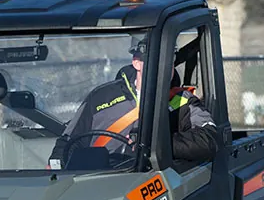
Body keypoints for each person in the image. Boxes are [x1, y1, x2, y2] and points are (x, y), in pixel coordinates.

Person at [50, 36, 218, 167]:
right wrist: (57, 166)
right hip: (99, 181)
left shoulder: (183, 102)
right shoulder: (101, 97)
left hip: (153, 185)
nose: (164, 68)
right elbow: (69, 140)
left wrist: (156, 144)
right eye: (155, 61)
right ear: (136, 62)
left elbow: (208, 140)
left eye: (169, 61)